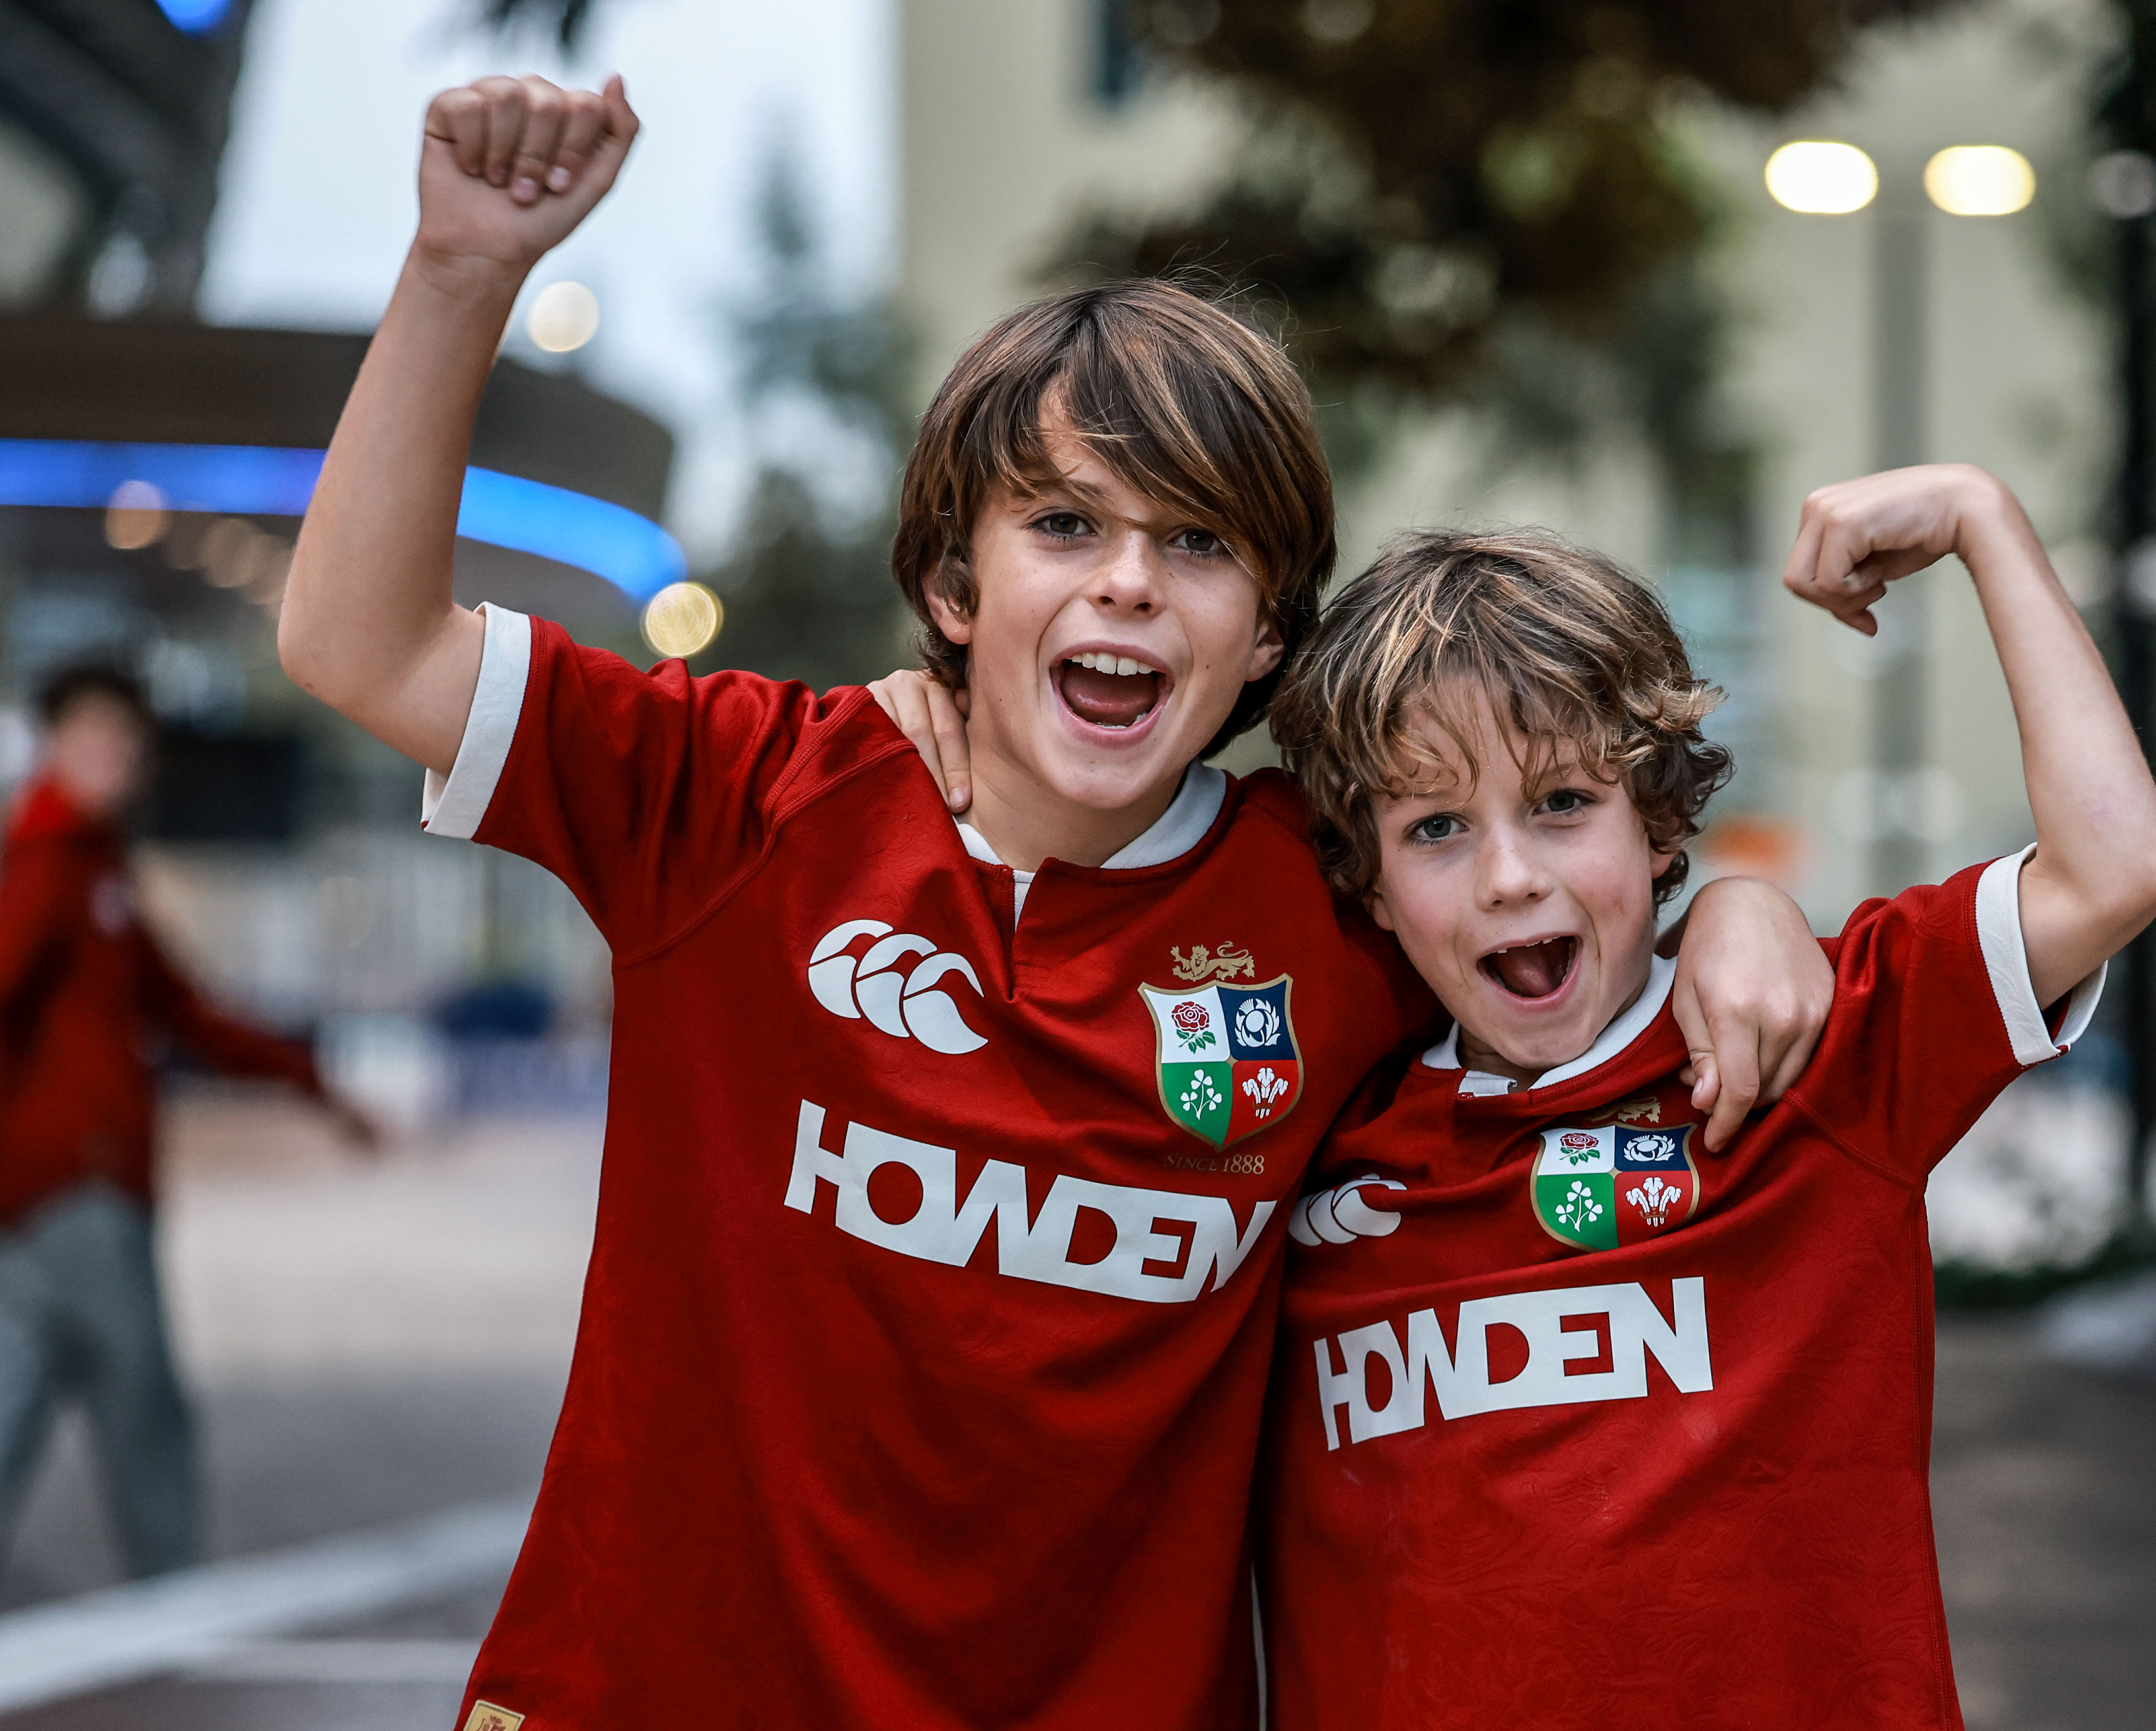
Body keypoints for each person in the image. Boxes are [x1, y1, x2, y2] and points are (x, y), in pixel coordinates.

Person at [278, 75, 1828, 1730]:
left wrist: (1730, 914)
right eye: (1065, 523)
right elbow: (356, 644)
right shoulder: (747, 801)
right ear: (955, 586)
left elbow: (1560, 943)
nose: (1128, 582)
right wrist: (460, 272)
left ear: (1270, 638)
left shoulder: (1331, 900)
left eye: (1199, 542)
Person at [1249, 477, 2156, 1727]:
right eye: (1434, 827)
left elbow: (2115, 866)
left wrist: (1978, 519)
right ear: (1364, 881)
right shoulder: (1304, 1153)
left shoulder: (1813, 1054)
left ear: (1661, 823)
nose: (1510, 876)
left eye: (1564, 802)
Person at [0, 666, 369, 1579]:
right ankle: (177, 1604)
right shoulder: (49, 860)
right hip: (78, 1187)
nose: (114, 756)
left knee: (20, 1388)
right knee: (146, 1409)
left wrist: (310, 1079)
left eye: (127, 740)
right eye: (92, 737)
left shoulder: (97, 866)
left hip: (47, 1194)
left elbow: (190, 1012)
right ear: (53, 744)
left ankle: (172, 1595)